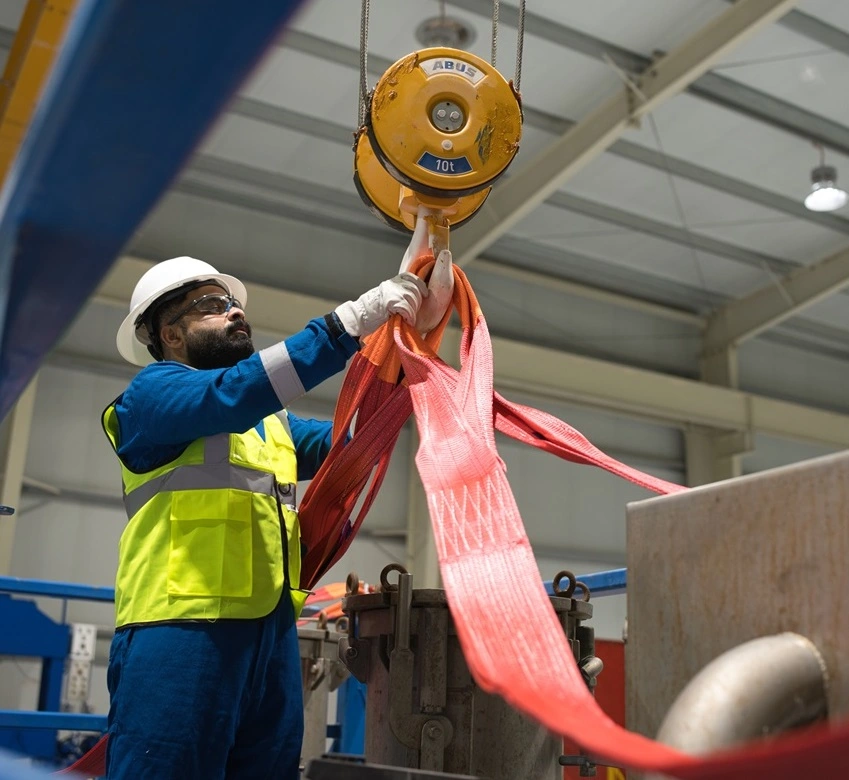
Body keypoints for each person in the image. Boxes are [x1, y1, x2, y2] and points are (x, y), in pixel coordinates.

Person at [101, 255, 438, 779]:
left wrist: (404, 354)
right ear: (169, 334)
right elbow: (231, 395)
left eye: (234, 302)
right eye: (212, 306)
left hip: (271, 636)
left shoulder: (270, 424)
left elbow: (350, 444)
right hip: (180, 633)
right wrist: (353, 323)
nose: (234, 313)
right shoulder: (151, 397)